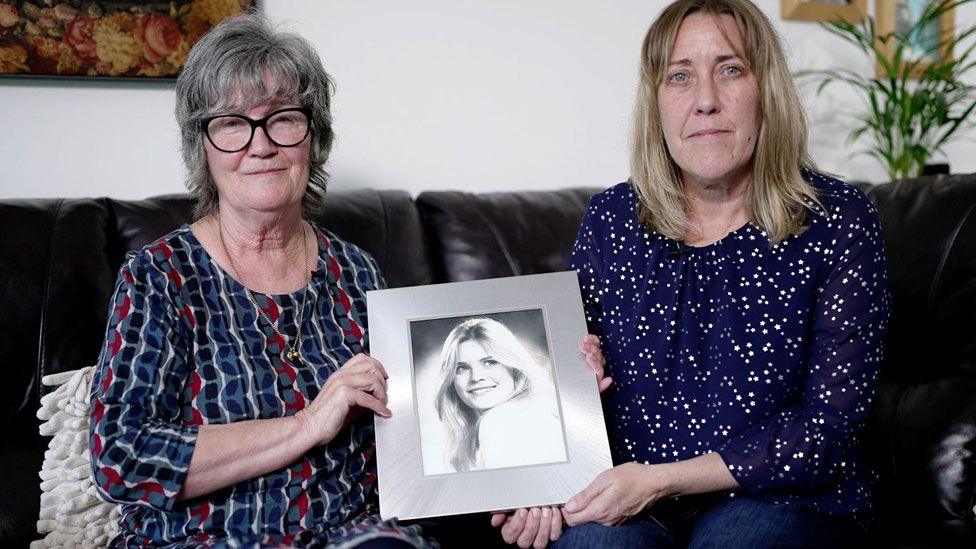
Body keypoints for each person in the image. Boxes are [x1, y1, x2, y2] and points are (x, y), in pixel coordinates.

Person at [492, 0, 890, 547]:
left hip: (781, 498)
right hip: (629, 500)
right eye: (680, 77)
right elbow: (559, 389)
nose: (705, 101)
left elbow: (823, 435)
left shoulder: (838, 222)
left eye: (730, 70)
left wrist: (660, 481)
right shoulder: (611, 220)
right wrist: (539, 475)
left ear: (766, 90)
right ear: (656, 103)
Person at [89, 15, 429, 547]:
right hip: (203, 538)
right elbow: (122, 459)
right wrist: (307, 424)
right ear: (202, 147)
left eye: (283, 118)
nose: (261, 144)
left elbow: (411, 429)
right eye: (231, 123)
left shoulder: (357, 272)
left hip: (351, 536)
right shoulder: (159, 276)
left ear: (312, 136)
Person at [434, 318, 566, 472]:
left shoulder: (498, 421)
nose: (476, 377)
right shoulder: (536, 410)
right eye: (462, 368)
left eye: (489, 362)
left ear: (513, 367)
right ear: (450, 380)